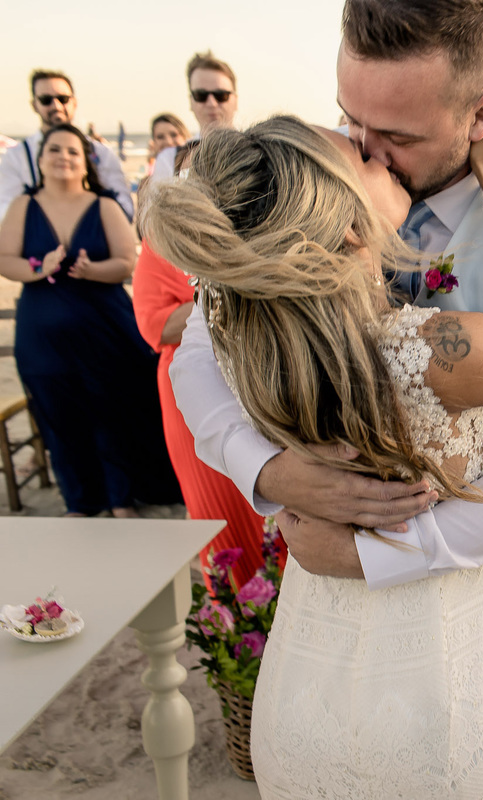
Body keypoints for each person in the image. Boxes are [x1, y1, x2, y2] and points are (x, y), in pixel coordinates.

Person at [169, 2, 483, 794]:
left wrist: (382, 550)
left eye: (398, 138)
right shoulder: (304, 186)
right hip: (329, 604)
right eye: (351, 119)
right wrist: (269, 471)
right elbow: (199, 360)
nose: (366, 150)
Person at [0, 124, 180, 516]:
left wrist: (92, 270)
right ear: (40, 160)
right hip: (42, 335)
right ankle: (80, 501)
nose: (63, 157)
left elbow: (125, 262)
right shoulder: (22, 207)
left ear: (85, 162)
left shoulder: (103, 206)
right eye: (54, 150)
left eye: (72, 151)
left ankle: (120, 498)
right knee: (57, 414)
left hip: (104, 328)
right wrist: (37, 266)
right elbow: (5, 259)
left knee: (109, 410)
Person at [132, 142, 271, 590]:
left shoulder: (263, 226)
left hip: (263, 384)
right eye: (193, 178)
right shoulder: (161, 242)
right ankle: (238, 634)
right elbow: (154, 324)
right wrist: (223, 290)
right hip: (194, 391)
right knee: (220, 518)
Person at [0, 70, 132, 221]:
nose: (56, 106)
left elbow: (125, 209)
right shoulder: (17, 156)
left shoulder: (102, 153)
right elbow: (5, 212)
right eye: (46, 100)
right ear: (34, 105)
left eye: (63, 99)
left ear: (74, 102)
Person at [151, 51, 238, 181]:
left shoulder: (260, 152)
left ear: (235, 100)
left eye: (221, 95)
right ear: (191, 101)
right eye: (201, 95)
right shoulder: (170, 159)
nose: (212, 103)